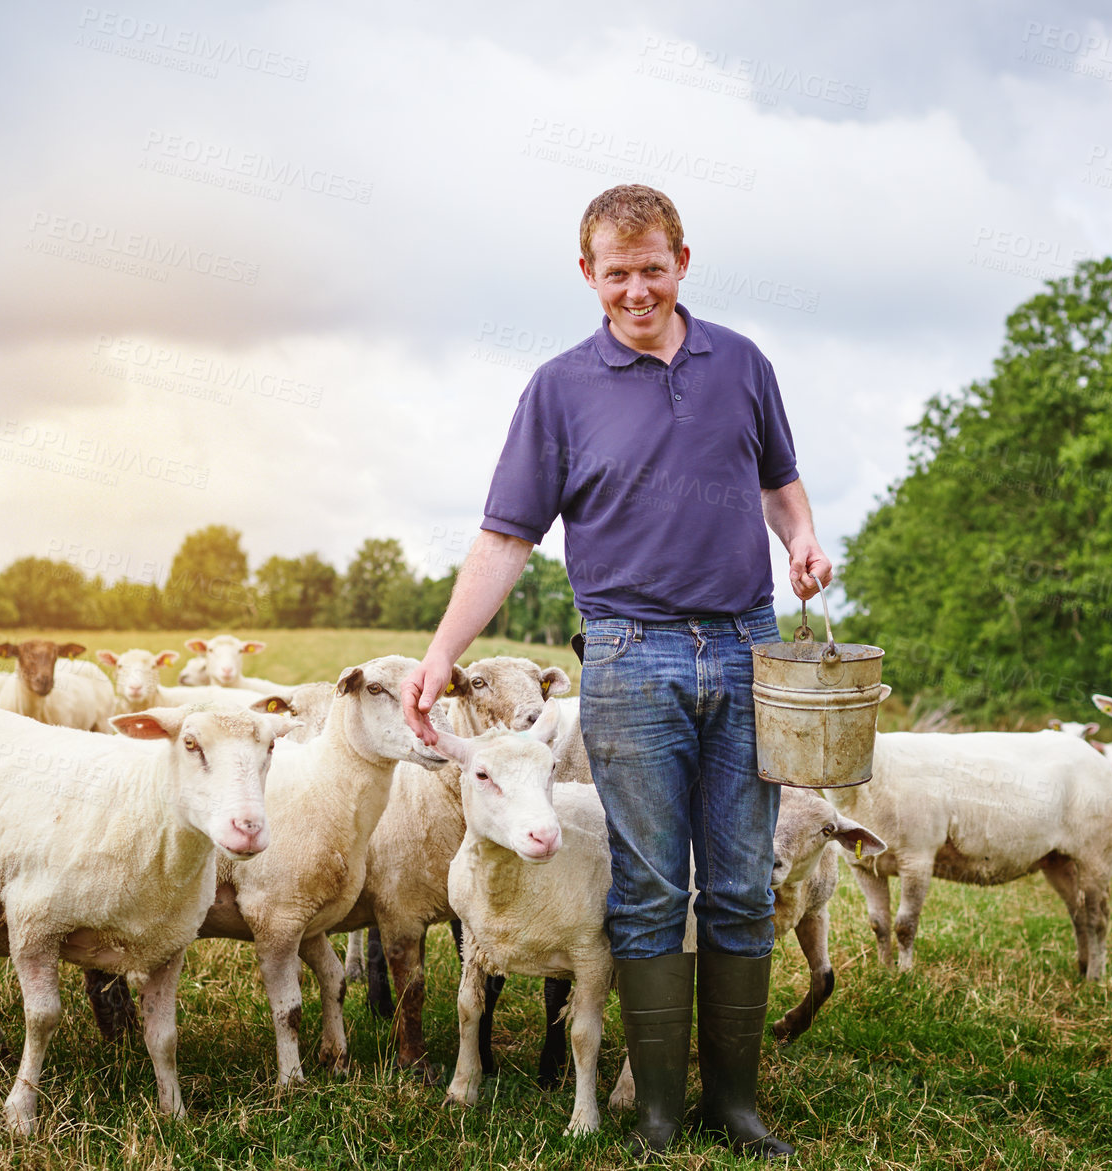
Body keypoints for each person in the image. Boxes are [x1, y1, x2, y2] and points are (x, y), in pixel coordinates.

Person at [401, 184, 829, 1159]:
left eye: (651, 269)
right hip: (629, 658)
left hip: (742, 643)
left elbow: (779, 483)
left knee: (734, 883)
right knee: (642, 888)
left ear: (682, 260)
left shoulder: (741, 363)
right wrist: (440, 652)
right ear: (586, 273)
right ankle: (657, 1110)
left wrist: (800, 536)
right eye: (615, 273)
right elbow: (505, 537)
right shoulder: (558, 389)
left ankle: (735, 1103)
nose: (634, 289)